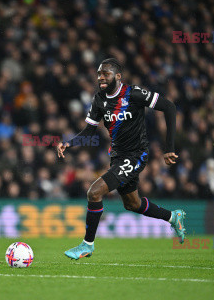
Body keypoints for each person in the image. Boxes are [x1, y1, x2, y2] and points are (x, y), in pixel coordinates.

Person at [57, 58, 186, 260]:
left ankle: (87, 245)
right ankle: (172, 217)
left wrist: (168, 148)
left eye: (105, 73)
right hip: (117, 156)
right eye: (99, 73)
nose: (101, 77)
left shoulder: (134, 94)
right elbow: (90, 129)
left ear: (117, 76)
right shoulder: (99, 99)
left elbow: (169, 107)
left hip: (137, 155)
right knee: (132, 204)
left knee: (94, 192)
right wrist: (69, 143)